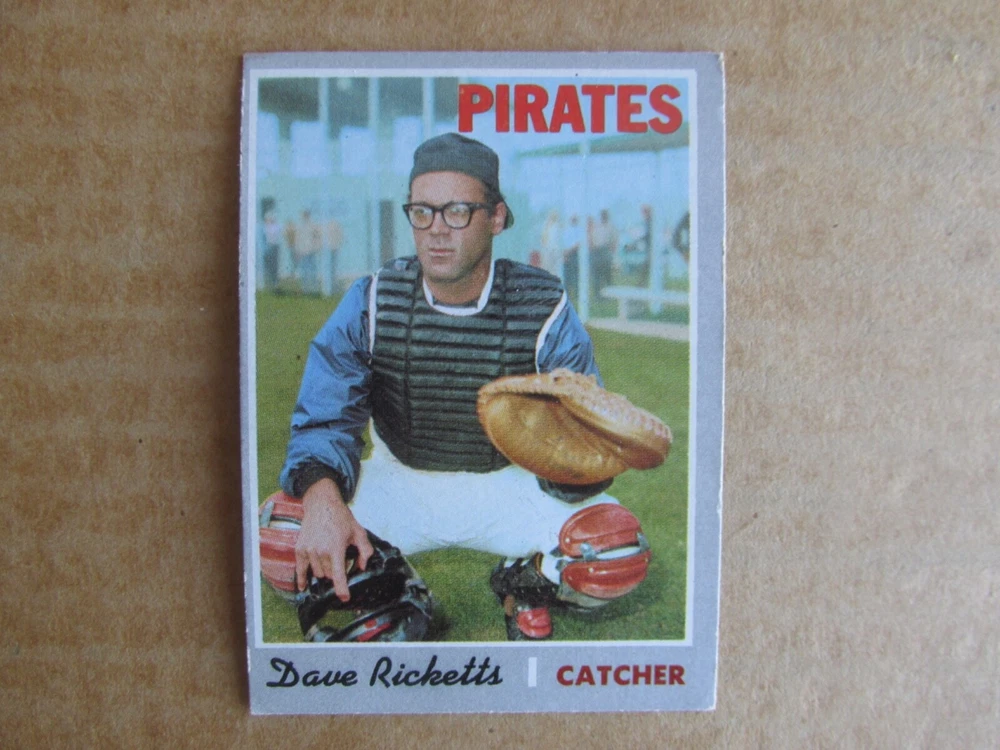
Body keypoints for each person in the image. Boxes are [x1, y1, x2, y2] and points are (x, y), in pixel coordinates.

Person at [278, 133, 650, 641]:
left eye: (457, 212)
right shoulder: (374, 299)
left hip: (508, 488)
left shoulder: (543, 306)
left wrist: (583, 463)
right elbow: (325, 413)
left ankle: (522, 581)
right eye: (422, 212)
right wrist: (323, 499)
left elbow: (577, 444)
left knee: (617, 549)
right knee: (280, 535)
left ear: (496, 217)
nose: (436, 229)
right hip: (401, 483)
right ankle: (394, 584)